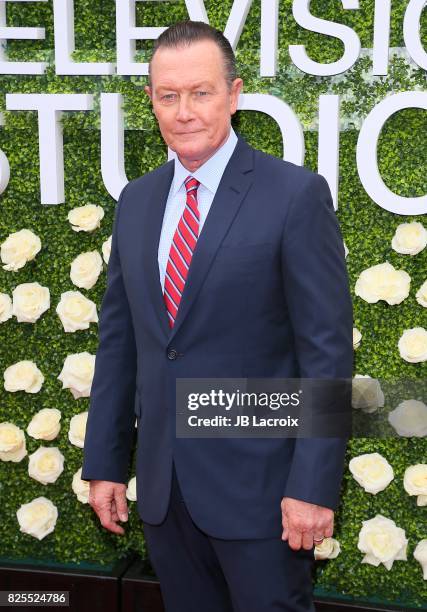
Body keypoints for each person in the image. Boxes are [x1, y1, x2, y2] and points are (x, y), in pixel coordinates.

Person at [81, 20, 353, 612]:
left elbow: (326, 354)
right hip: (163, 494)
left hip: (264, 497)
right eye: (167, 95)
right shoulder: (137, 201)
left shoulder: (294, 195)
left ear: (234, 94)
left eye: (201, 92)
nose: (183, 111)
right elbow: (120, 345)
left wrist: (311, 487)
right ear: (151, 100)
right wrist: (104, 464)